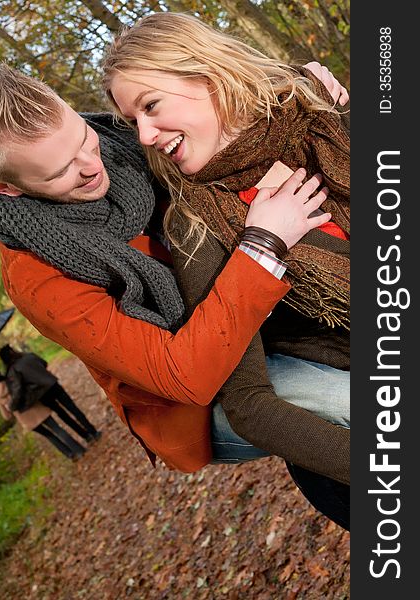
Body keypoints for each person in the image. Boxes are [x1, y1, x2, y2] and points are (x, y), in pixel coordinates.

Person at [0, 65, 349, 528]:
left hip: (260, 329)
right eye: (61, 172)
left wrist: (297, 82)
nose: (90, 165)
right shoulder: (38, 280)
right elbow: (186, 377)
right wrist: (261, 245)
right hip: (194, 403)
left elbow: (213, 113)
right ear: (6, 187)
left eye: (83, 137)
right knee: (340, 400)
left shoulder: (125, 140)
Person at [103, 11, 350, 455]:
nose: (143, 134)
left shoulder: (321, 115)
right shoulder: (195, 223)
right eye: (131, 120)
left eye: (151, 105)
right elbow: (250, 406)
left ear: (208, 75)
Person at [0, 344, 102, 444]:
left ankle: (86, 436)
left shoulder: (13, 371)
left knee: (63, 415)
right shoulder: (29, 356)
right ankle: (93, 431)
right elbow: (44, 363)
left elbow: (18, 389)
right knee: (73, 408)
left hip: (42, 395)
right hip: (52, 384)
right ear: (12, 351)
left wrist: (13, 406)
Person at [0, 369, 86, 461]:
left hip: (26, 420)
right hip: (37, 409)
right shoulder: (12, 382)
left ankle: (70, 454)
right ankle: (79, 450)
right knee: (57, 429)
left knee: (49, 436)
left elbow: (7, 416)